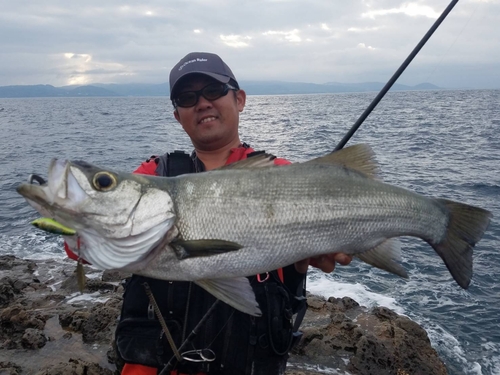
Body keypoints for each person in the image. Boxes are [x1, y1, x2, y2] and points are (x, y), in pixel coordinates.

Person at [66, 52, 352, 375]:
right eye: (188, 98)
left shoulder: (280, 175)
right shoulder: (154, 175)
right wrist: (73, 217)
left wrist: (318, 254)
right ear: (177, 116)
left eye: (213, 91)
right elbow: (78, 243)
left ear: (240, 99)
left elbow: (316, 256)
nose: (202, 103)